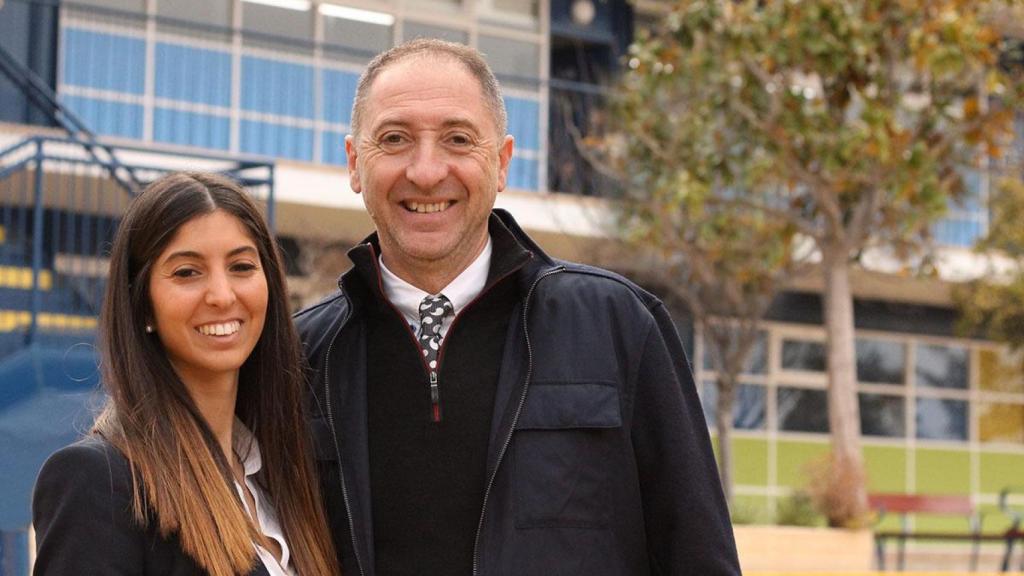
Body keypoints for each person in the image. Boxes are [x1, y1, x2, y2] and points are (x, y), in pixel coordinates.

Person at [294, 39, 741, 575]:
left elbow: (697, 554)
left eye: (459, 140)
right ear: (354, 164)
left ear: (502, 163)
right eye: (394, 139)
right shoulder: (299, 357)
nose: (427, 170)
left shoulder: (618, 324)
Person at [32, 172, 339, 576]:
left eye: (242, 266)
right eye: (187, 273)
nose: (222, 295)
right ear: (141, 305)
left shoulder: (282, 478)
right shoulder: (99, 481)